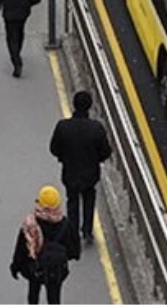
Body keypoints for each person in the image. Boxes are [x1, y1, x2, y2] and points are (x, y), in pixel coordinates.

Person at [49, 91, 112, 246]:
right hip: (90, 173)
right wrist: (96, 159)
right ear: (89, 106)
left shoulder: (63, 127)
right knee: (89, 200)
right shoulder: (96, 129)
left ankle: (73, 233)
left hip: (70, 171)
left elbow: (54, 148)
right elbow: (106, 151)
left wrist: (63, 157)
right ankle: (87, 231)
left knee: (72, 201)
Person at [10, 186, 81, 305]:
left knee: (33, 291)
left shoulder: (31, 225)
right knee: (54, 297)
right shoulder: (65, 224)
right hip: (56, 269)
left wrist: (15, 266)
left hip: (35, 268)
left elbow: (21, 248)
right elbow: (74, 249)